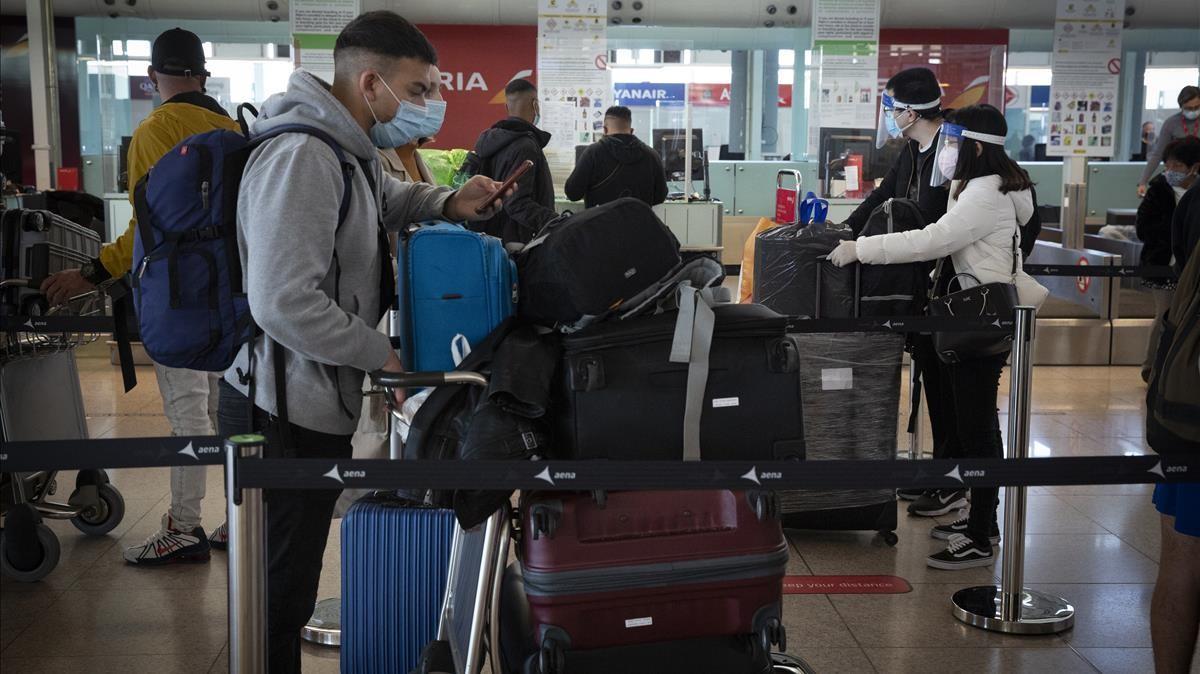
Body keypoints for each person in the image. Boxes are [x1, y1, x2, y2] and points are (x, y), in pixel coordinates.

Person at [217, 12, 509, 670]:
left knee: (285, 590)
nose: (427, 104)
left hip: (307, 399)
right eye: (419, 90)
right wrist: (379, 354)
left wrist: (449, 201)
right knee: (274, 599)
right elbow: (282, 299)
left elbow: (386, 199)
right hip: (275, 409)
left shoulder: (345, 144)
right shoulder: (303, 154)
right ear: (372, 82)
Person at [40, 27, 239, 565]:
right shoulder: (233, 126)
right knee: (229, 411)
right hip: (232, 296)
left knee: (186, 411)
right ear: (204, 73)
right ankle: (235, 521)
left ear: (154, 77)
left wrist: (93, 271)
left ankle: (184, 525)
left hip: (180, 296)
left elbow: (148, 230)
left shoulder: (158, 128)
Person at [828, 104, 1049, 569]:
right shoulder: (980, 186)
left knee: (978, 428)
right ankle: (977, 518)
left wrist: (861, 249)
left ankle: (982, 534)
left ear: (971, 146)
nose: (945, 149)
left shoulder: (985, 193)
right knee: (971, 422)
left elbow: (933, 239)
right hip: (968, 315)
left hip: (978, 320)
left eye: (951, 140)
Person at [845, 67, 963, 514]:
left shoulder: (952, 152)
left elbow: (940, 226)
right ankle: (940, 474)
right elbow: (881, 197)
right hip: (919, 285)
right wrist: (842, 231)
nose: (891, 117)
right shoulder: (912, 151)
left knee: (953, 388)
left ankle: (957, 480)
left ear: (911, 112)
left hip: (951, 287)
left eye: (893, 109)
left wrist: (864, 247)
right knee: (933, 377)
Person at [1136, 136, 1200, 382]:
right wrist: (1173, 232)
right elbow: (1144, 228)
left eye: (1178, 166)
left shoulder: (1195, 193)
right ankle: (1151, 368)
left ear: (1194, 167)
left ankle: (1177, 370)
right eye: (1169, 165)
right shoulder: (1158, 190)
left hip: (1190, 268)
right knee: (1165, 313)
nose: (1171, 171)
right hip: (1162, 267)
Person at [470, 78, 558, 245]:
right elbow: (517, 202)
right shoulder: (526, 146)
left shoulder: (491, 141)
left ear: (506, 107)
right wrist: (555, 221)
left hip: (491, 236)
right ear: (535, 105)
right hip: (518, 241)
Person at [564, 105, 667, 208]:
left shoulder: (593, 153)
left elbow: (573, 193)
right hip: (639, 222)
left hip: (599, 222)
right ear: (631, 131)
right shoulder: (651, 155)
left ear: (604, 129)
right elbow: (660, 197)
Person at [1138, 86, 1200, 197]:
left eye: (1197, 107)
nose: (1193, 111)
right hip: (1179, 178)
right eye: (1189, 108)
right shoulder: (1171, 123)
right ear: (1181, 106)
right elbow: (1158, 154)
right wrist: (1143, 182)